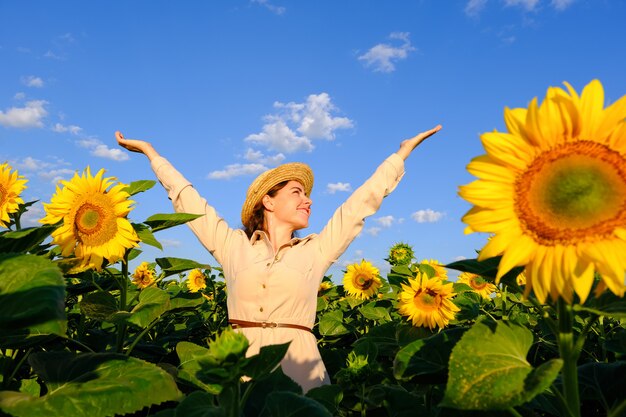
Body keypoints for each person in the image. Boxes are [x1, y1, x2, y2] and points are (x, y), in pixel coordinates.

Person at [115, 124, 441, 392]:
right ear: (267, 202)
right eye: (297, 192)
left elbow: (359, 205)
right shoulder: (233, 246)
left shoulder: (316, 250)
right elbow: (190, 204)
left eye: (308, 195)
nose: (308, 201)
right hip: (239, 369)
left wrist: (400, 155)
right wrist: (152, 155)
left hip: (300, 370)